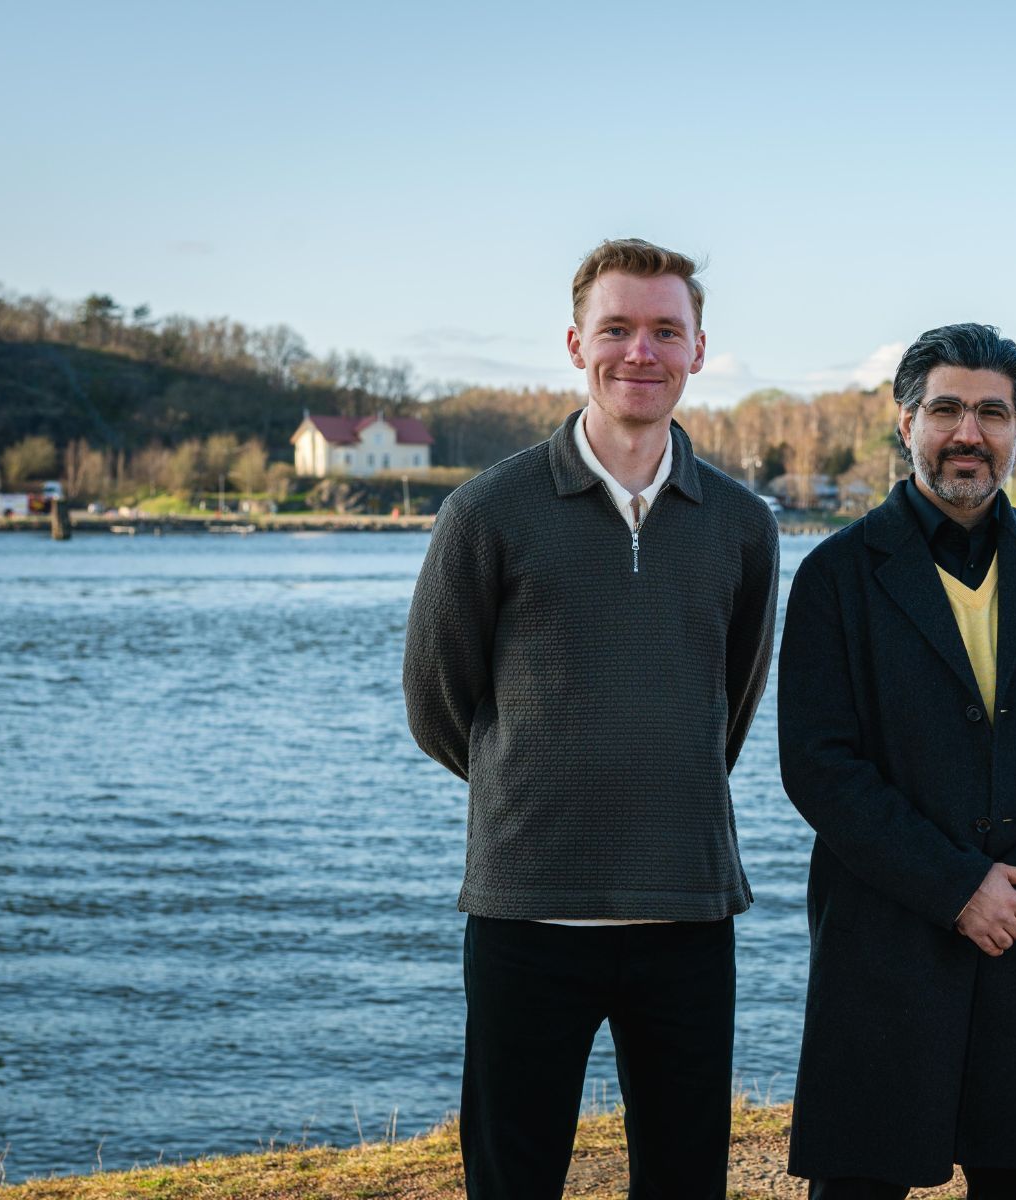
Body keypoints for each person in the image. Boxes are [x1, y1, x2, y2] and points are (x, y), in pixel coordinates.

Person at [402, 237, 779, 1200]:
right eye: (617, 329)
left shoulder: (743, 524)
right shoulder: (488, 512)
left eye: (665, 331)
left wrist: (664, 777)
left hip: (686, 911)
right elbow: (438, 705)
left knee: (685, 1177)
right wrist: (535, 786)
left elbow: (729, 704)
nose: (639, 353)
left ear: (699, 349)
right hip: (529, 906)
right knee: (513, 1176)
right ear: (576, 343)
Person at [779, 323, 1016, 1199]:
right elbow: (819, 764)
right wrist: (955, 888)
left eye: (993, 411)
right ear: (905, 421)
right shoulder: (835, 575)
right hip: (885, 940)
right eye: (945, 408)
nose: (967, 432)